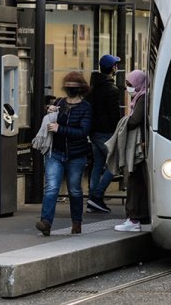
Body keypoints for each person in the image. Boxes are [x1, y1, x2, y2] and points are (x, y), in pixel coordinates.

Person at [36, 71, 92, 236]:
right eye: (68, 86)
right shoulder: (60, 102)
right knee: (51, 188)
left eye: (72, 87)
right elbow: (51, 117)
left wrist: (60, 129)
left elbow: (83, 131)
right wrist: (51, 110)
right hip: (56, 152)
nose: (69, 89)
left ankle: (76, 222)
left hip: (76, 155)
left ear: (81, 89)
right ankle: (46, 222)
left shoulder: (85, 107)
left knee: (74, 190)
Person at [114, 70, 150, 232]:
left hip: (139, 148)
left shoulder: (142, 99)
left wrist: (123, 123)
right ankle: (139, 217)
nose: (128, 88)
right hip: (143, 146)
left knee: (135, 182)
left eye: (130, 85)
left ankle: (133, 218)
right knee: (139, 182)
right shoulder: (142, 97)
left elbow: (135, 120)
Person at [86, 54, 122, 213]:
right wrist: (118, 132)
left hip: (93, 132)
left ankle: (92, 201)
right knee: (115, 164)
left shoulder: (93, 87)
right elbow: (114, 115)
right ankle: (96, 197)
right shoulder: (112, 89)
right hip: (106, 133)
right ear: (113, 68)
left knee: (98, 164)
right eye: (116, 65)